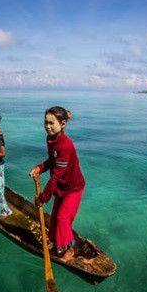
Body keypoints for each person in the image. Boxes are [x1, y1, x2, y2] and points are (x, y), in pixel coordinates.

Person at [29, 106, 85, 262]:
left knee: (62, 219)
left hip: (73, 188)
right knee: (54, 219)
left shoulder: (65, 144)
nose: (47, 126)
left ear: (63, 124)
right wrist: (40, 167)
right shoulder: (51, 139)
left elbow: (55, 177)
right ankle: (57, 242)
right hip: (61, 186)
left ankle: (71, 249)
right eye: (46, 123)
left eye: (51, 123)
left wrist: (43, 198)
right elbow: (52, 161)